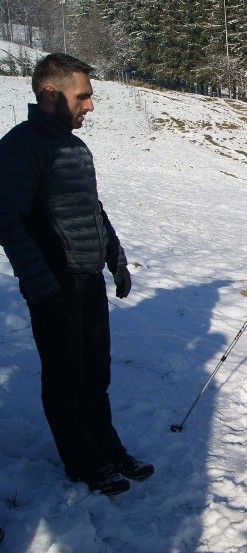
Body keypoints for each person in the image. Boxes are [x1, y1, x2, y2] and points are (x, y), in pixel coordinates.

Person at [0, 53, 153, 496]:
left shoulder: (72, 146)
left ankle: (108, 448)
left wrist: (116, 259)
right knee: (65, 377)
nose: (90, 106)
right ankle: (82, 461)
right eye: (82, 96)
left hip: (87, 279)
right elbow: (7, 220)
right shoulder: (21, 146)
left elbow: (92, 209)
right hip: (54, 282)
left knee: (95, 373)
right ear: (51, 93)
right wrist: (43, 287)